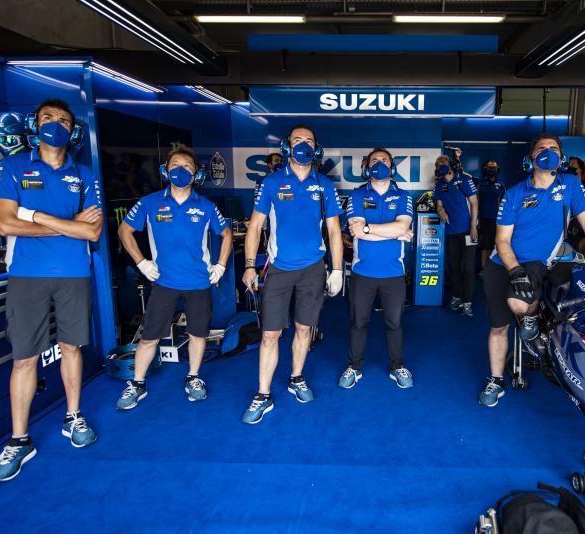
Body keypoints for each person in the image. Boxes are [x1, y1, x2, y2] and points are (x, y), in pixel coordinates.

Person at [0, 99, 103, 482]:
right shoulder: (14, 167)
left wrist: (34, 216)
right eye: (48, 118)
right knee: (24, 358)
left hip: (74, 273)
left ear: (74, 131)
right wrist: (67, 224)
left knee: (72, 348)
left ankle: (73, 416)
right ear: (34, 125)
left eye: (64, 121)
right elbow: (6, 224)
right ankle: (19, 439)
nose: (56, 124)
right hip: (27, 274)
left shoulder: (83, 174)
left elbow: (92, 231)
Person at [480, 133, 585, 408]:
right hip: (502, 263)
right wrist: (514, 269)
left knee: (520, 303)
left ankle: (532, 317)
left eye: (554, 148)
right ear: (531, 158)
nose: (548, 152)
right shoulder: (514, 193)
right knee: (499, 326)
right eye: (541, 148)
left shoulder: (570, 184)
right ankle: (496, 380)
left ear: (561, 157)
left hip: (537, 264)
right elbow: (502, 240)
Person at [240, 124, 343, 424]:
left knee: (304, 329)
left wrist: (337, 269)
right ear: (287, 147)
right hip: (279, 270)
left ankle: (297, 377)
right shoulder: (271, 182)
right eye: (297, 140)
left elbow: (334, 231)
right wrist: (249, 265)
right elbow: (255, 227)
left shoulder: (324, 185)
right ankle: (263, 394)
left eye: (309, 141)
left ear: (316, 148)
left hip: (313, 269)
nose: (303, 145)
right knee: (270, 334)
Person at [115, 146, 231, 410]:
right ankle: (137, 383)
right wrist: (142, 262)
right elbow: (124, 231)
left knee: (198, 334)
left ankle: (193, 377)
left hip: (198, 282)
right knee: (149, 336)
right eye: (175, 165)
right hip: (164, 281)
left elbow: (225, 235)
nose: (181, 170)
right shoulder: (150, 202)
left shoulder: (206, 207)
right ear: (165, 171)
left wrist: (221, 265)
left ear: (196, 173)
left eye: (187, 166)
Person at [340, 148, 414, 389]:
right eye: (374, 160)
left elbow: (400, 226)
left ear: (392, 167)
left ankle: (397, 366)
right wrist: (395, 233)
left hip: (394, 273)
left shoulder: (403, 196)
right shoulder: (357, 195)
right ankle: (354, 367)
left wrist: (368, 229)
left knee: (395, 323)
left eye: (384, 160)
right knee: (358, 323)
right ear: (366, 167)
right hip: (363, 273)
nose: (379, 164)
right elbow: (356, 229)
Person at [433, 155, 479, 317]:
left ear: (450, 165)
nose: (441, 166)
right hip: (450, 232)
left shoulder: (464, 179)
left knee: (468, 268)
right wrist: (441, 210)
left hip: (468, 231)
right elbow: (439, 204)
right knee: (453, 267)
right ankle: (457, 296)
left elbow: (474, 203)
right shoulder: (439, 185)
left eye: (443, 163)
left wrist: (473, 226)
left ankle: (468, 302)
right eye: (438, 164)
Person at [477, 159, 505, 271]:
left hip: (496, 221)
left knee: (495, 246)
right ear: (485, 169)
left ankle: (492, 271)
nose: (492, 169)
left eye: (494, 167)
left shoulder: (501, 185)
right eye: (490, 167)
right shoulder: (480, 183)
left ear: (498, 169)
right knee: (484, 246)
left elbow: (504, 203)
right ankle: (484, 270)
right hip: (482, 219)